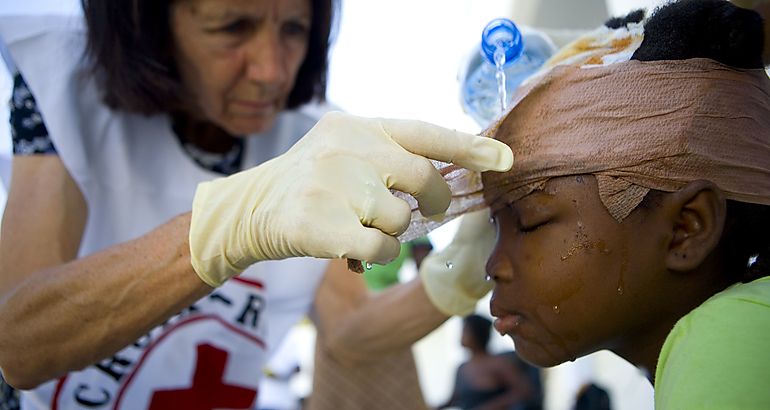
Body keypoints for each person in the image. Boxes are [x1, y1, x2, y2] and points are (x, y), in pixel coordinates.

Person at [0, 0, 512, 408]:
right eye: (231, 26)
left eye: (293, 29)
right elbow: (18, 344)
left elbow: (350, 332)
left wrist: (456, 278)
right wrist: (228, 226)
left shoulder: (312, 133)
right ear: (150, 21)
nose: (270, 70)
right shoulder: (67, 88)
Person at [482, 0, 770, 407]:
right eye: (495, 225)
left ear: (686, 227)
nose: (493, 266)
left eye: (529, 221)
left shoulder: (728, 341)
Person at [438, 314, 538, 410]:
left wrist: (492, 406)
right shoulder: (462, 368)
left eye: (466, 330)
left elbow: (524, 391)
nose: (462, 334)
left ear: (476, 333)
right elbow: (455, 399)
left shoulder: (498, 363)